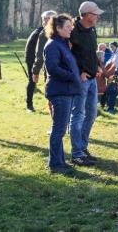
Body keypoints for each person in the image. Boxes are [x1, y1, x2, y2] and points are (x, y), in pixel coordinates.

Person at [43, 14, 81, 175]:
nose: (71, 29)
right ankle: (55, 164)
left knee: (60, 129)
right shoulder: (52, 45)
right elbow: (53, 68)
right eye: (67, 27)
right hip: (60, 92)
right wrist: (72, 76)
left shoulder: (64, 44)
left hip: (67, 91)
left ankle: (60, 161)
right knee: (58, 130)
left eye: (71, 26)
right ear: (58, 29)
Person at [69, 1, 104, 166]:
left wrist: (96, 65)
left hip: (92, 78)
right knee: (78, 115)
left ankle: (82, 148)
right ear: (88, 15)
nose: (98, 16)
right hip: (80, 80)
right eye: (95, 14)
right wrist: (78, 72)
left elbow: (91, 51)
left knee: (91, 114)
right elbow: (67, 56)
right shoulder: (72, 30)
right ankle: (76, 153)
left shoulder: (92, 30)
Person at [28, 10, 56, 112]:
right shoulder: (65, 30)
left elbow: (40, 55)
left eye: (44, 19)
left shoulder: (44, 33)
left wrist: (35, 72)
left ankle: (56, 126)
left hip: (50, 71)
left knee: (52, 98)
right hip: (67, 70)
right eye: (43, 19)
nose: (43, 22)